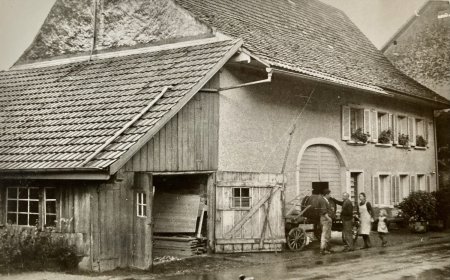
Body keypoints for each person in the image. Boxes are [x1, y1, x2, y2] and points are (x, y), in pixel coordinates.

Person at [318, 189, 333, 255]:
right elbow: (324, 211)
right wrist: (329, 218)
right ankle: (323, 249)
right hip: (325, 219)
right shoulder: (323, 201)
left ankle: (327, 249)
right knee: (325, 235)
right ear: (326, 194)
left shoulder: (325, 200)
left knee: (327, 235)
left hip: (325, 219)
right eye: (329, 194)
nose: (330, 195)